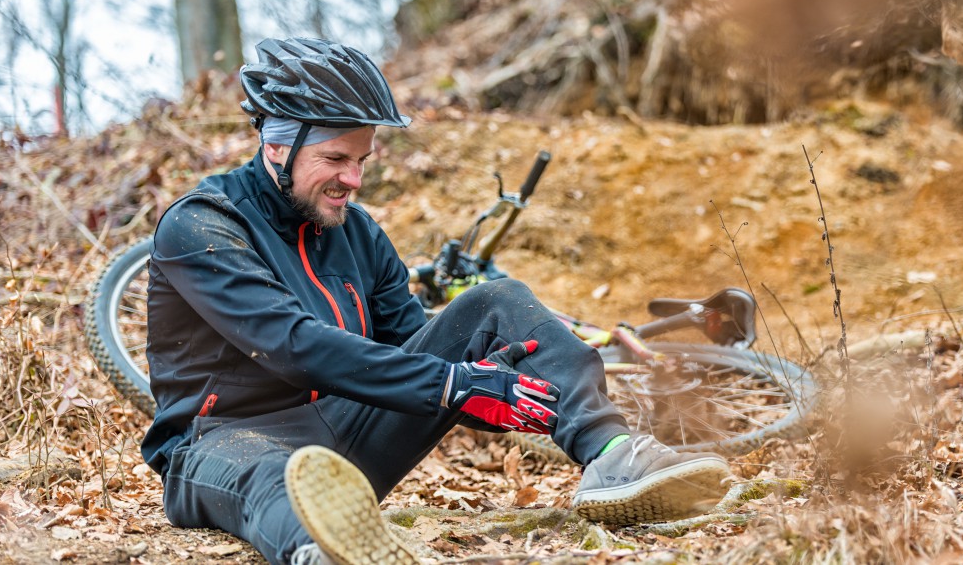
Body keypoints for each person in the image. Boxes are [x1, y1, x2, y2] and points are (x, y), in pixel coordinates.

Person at [142, 37, 732, 565]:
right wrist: (454, 385)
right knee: (284, 478)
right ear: (276, 147)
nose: (355, 180)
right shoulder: (201, 226)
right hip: (220, 442)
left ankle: (611, 453)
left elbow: (410, 340)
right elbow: (290, 345)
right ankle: (325, 549)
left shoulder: (356, 231)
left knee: (493, 300)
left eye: (363, 160)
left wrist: (487, 385)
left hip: (344, 428)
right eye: (336, 159)